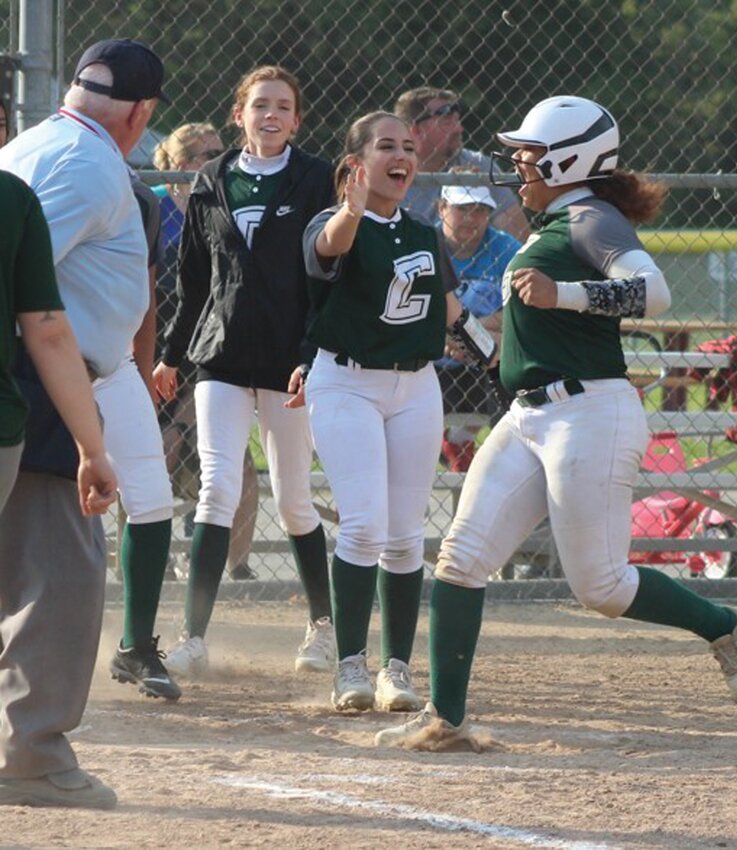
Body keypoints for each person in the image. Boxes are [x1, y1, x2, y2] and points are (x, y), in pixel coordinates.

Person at [375, 96, 737, 748]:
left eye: (528, 153)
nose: (518, 163)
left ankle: (723, 623)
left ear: (567, 159)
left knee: (602, 586)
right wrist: (460, 324)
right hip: (529, 414)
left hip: (591, 413)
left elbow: (654, 291)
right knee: (461, 559)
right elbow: (516, 341)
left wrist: (568, 294)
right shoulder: (550, 225)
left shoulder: (588, 216)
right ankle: (448, 719)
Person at [0, 39, 173, 808]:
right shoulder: (87, 161)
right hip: (38, 387)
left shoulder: (41, 139)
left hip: (38, 382)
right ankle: (32, 759)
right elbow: (30, 296)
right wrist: (85, 436)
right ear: (141, 115)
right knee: (61, 574)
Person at [299, 111, 496, 713]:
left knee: (408, 536)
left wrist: (488, 349)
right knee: (363, 525)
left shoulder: (420, 231)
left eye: (409, 147)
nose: (402, 156)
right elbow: (328, 249)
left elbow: (445, 303)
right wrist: (353, 210)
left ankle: (397, 669)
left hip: (416, 387)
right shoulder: (333, 224)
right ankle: (350, 665)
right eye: (387, 146)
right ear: (357, 162)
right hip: (346, 383)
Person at [153, 65, 336, 678]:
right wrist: (171, 355)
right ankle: (192, 636)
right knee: (216, 489)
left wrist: (313, 356)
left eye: (284, 105)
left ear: (297, 118)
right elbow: (192, 280)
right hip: (221, 357)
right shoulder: (212, 178)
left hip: (289, 363)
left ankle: (322, 628)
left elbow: (328, 281)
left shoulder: (315, 180)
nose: (271, 115)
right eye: (260, 105)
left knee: (293, 501)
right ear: (241, 115)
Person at [152, 123, 259, 581]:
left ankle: (232, 570)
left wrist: (184, 415)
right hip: (152, 363)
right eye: (204, 153)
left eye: (220, 151)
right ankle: (145, 564)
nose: (217, 159)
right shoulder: (155, 205)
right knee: (156, 455)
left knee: (242, 470)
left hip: (206, 368)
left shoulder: (225, 200)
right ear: (179, 165)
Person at [435, 183, 520, 471]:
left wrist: (471, 335)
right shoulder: (425, 242)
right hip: (433, 359)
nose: (471, 218)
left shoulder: (505, 247)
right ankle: (457, 446)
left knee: (513, 341)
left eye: (480, 210)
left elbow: (520, 309)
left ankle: (495, 458)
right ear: (441, 208)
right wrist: (454, 336)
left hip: (485, 360)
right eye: (462, 209)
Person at [393, 87, 529, 242]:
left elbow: (519, 237)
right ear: (416, 131)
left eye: (457, 120)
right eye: (447, 122)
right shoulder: (392, 172)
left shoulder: (476, 165)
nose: (459, 128)